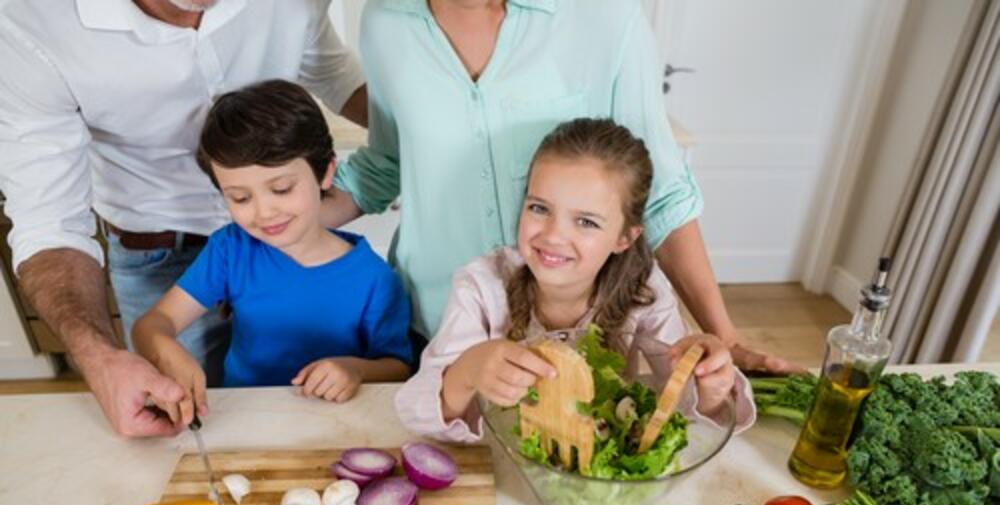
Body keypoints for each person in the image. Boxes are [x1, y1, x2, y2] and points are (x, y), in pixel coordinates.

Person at [322, 0, 803, 375]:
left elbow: (660, 192)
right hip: (433, 324)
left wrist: (724, 335)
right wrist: (288, 210)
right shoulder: (386, 23)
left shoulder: (603, 16)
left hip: (574, 338)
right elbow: (389, 160)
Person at [0, 0, 367, 437]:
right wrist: (102, 360)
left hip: (284, 251)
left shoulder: (360, 271)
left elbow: (334, 72)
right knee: (192, 432)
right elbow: (50, 224)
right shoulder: (31, 22)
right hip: (160, 255)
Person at [395, 118, 755, 442]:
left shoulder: (643, 289)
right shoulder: (481, 286)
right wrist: (469, 370)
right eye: (539, 208)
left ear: (624, 238)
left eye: (586, 222)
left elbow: (678, 402)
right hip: (507, 462)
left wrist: (709, 389)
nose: (553, 235)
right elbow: (413, 411)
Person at [132, 80, 413, 426]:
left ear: (326, 172)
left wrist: (355, 370)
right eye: (240, 198)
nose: (264, 213)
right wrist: (165, 348)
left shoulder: (374, 279)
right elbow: (151, 325)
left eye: (281, 189)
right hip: (246, 422)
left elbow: (399, 368)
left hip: (340, 426)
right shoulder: (230, 249)